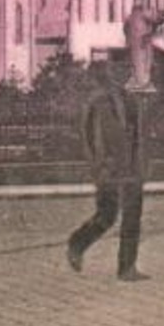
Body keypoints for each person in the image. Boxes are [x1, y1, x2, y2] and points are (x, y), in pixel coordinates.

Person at [67, 59, 148, 281]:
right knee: (107, 216)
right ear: (110, 73)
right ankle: (77, 243)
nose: (122, 75)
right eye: (118, 70)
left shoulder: (131, 100)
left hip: (131, 169)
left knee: (133, 216)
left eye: (126, 70)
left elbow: (138, 136)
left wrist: (140, 166)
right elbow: (89, 138)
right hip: (108, 170)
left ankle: (127, 267)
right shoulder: (97, 102)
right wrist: (97, 166)